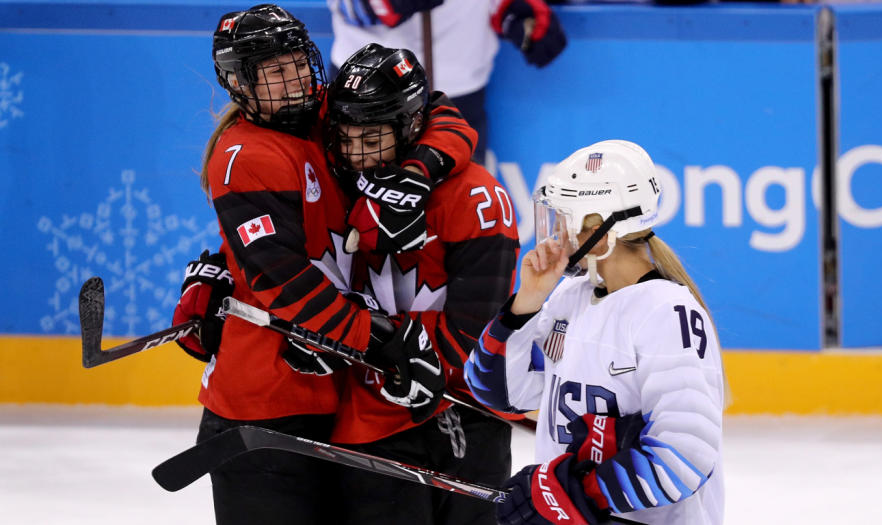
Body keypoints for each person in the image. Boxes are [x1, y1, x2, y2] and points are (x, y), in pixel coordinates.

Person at [172, 5, 471, 523]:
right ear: (239, 84)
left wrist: (419, 171)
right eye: (273, 73)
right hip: (263, 409)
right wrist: (377, 337)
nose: (292, 82)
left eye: (295, 64)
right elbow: (285, 283)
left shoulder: (326, 111)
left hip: (332, 399)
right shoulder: (246, 155)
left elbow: (439, 113)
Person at [464, 140, 725, 524]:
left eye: (564, 218)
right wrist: (526, 303)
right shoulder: (571, 296)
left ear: (601, 233)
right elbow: (496, 391)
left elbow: (684, 454)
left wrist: (573, 495)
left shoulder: (668, 312)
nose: (555, 233)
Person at [317, 43, 522, 524]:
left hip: (464, 414)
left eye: (371, 141)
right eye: (347, 139)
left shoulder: (476, 196)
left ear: (410, 126)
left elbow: (481, 322)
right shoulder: (340, 180)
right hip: (368, 419)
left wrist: (428, 368)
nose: (356, 155)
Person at [328, 0, 567, 162]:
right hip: (370, 89)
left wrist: (514, 9)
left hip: (461, 88)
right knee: (361, 207)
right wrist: (380, 4)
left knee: (459, 209)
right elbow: (347, 6)